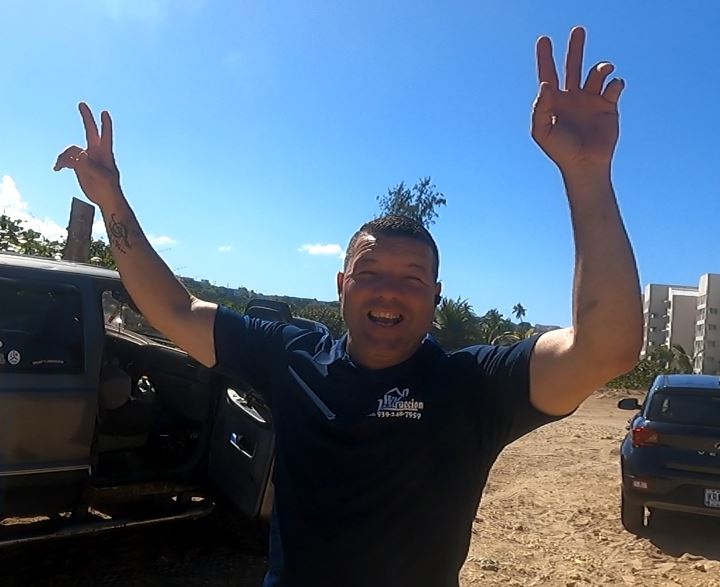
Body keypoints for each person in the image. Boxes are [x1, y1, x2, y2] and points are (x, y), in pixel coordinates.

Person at [55, 26, 642, 587]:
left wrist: (587, 173)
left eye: (412, 278)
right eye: (370, 273)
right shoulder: (290, 357)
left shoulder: (474, 386)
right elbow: (175, 311)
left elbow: (606, 348)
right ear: (341, 285)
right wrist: (111, 201)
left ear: (435, 297)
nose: (388, 291)